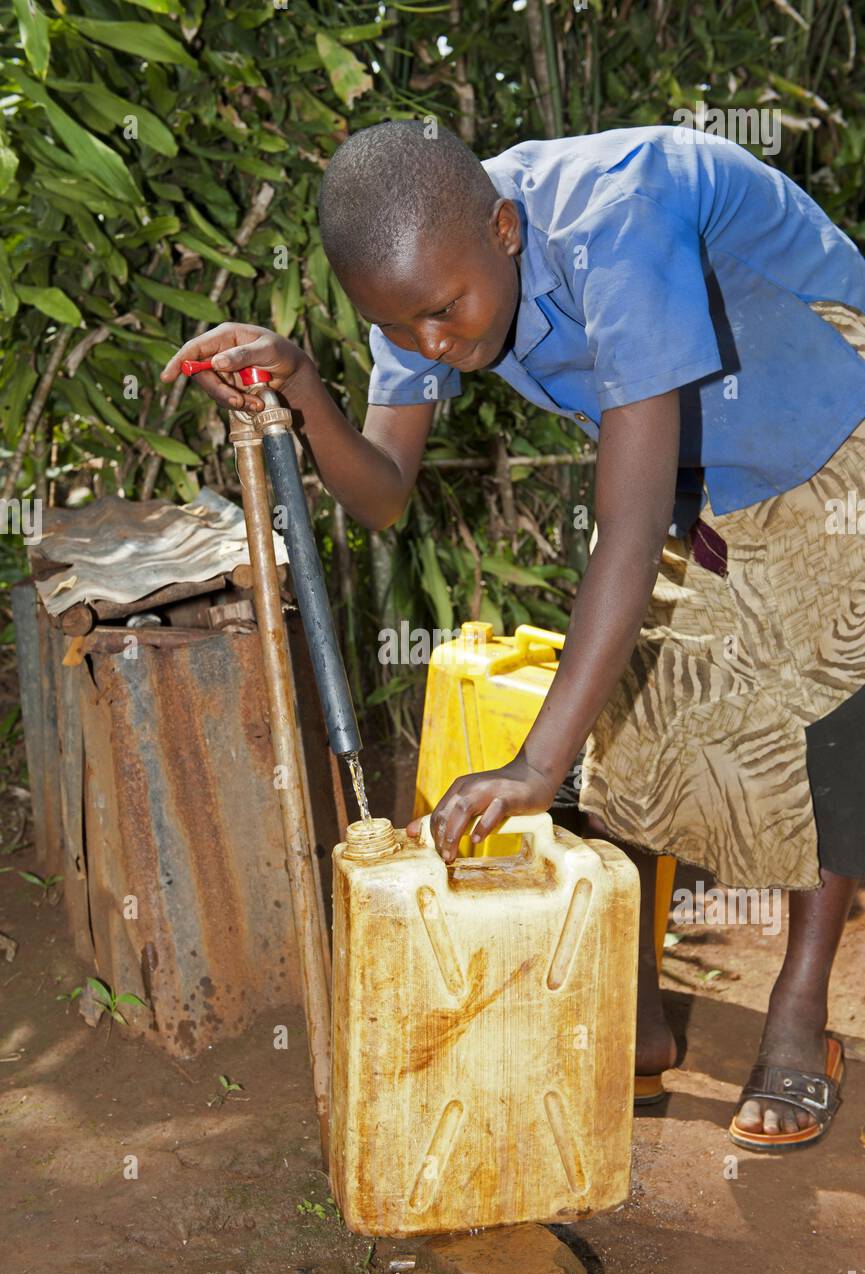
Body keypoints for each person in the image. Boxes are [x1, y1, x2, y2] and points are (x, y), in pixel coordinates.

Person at [161, 119, 865, 1152]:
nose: (433, 346)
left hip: (829, 410)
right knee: (628, 735)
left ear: (504, 228)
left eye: (444, 315)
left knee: (820, 718)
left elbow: (623, 527)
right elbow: (386, 495)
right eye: (402, 330)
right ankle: (633, 1025)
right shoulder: (416, 283)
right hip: (694, 464)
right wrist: (303, 393)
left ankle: (800, 1013)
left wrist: (536, 763)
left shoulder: (618, 214)